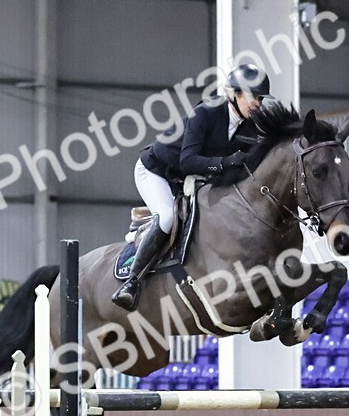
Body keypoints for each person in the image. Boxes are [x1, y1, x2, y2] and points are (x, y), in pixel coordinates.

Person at [111, 63, 270, 311]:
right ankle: (132, 282)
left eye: (260, 98)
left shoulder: (250, 127)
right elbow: (187, 161)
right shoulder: (207, 112)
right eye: (253, 96)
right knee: (166, 218)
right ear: (235, 93)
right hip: (156, 171)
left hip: (189, 180)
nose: (258, 103)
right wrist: (226, 162)